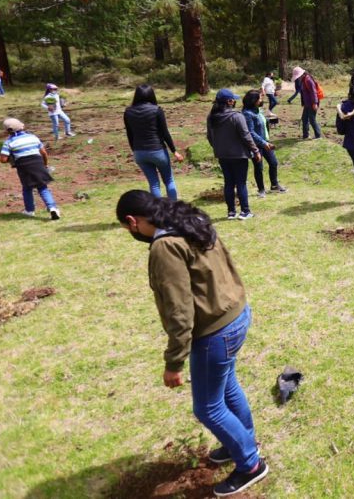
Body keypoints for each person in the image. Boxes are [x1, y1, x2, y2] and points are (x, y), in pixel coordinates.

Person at [115, 190, 268, 498]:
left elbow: (179, 309)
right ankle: (241, 441)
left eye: (127, 227)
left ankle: (250, 464)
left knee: (208, 407)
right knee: (226, 387)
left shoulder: (165, 246)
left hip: (215, 332)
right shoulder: (190, 218)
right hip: (236, 314)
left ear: (133, 221)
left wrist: (174, 362)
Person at [207, 89, 261, 220]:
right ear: (229, 101)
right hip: (239, 155)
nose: (235, 101)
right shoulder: (237, 116)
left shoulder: (212, 117)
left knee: (229, 183)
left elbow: (210, 137)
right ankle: (245, 211)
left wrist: (218, 148)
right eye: (233, 99)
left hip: (222, 155)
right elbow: (246, 136)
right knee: (241, 183)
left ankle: (231, 212)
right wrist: (256, 150)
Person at [124, 84, 183, 199]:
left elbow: (129, 134)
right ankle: (173, 209)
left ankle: (158, 212)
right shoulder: (157, 110)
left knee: (154, 184)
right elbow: (165, 133)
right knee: (169, 180)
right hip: (157, 150)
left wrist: (134, 150)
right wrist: (174, 151)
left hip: (139, 152)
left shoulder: (128, 112)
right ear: (152, 95)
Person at [0, 118, 60, 219]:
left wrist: (11, 158)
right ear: (22, 127)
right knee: (43, 187)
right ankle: (52, 208)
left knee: (27, 188)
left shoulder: (8, 142)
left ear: (6, 131)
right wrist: (44, 165)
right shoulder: (32, 137)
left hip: (23, 166)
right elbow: (43, 152)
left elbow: (3, 159)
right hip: (38, 163)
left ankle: (29, 210)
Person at [241, 91, 286, 198]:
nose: (262, 100)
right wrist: (263, 142)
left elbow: (262, 124)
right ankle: (261, 190)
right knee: (259, 167)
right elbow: (251, 132)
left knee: (273, 163)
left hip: (265, 142)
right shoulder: (247, 114)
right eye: (260, 98)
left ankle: (274, 185)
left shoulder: (258, 111)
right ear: (254, 101)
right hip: (255, 145)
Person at [299, 69, 322, 139]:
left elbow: (313, 92)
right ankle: (305, 135)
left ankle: (318, 135)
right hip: (307, 103)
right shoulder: (303, 80)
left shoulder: (308, 80)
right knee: (304, 118)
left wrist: (315, 103)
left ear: (302, 74)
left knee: (312, 119)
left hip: (312, 103)